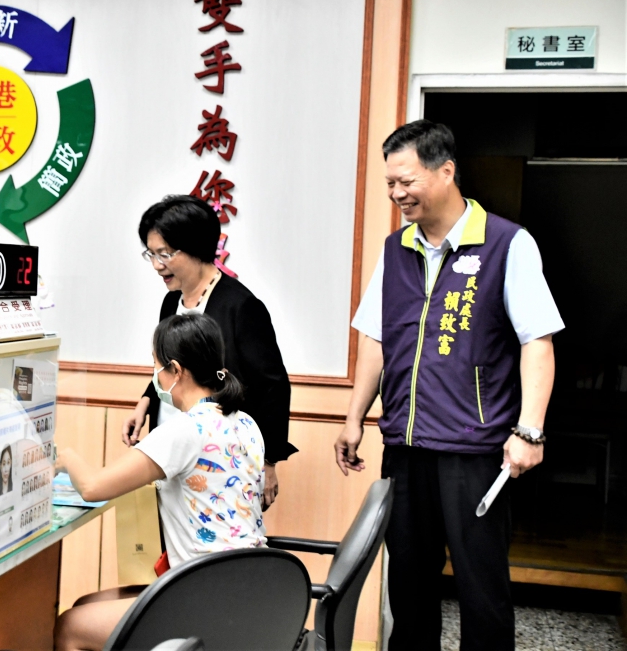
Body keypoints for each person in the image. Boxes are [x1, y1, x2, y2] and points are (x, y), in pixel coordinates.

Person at [335, 120, 563, 650]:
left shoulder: (507, 244)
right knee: (408, 586)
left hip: (474, 450)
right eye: (389, 183)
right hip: (406, 446)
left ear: (446, 171)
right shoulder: (396, 248)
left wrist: (529, 431)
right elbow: (376, 338)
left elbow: (538, 341)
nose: (397, 194)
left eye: (406, 181)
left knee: (481, 588)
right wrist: (354, 417)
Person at [55, 313, 266, 651]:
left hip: (204, 597)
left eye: (155, 365)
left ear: (176, 370)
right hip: (254, 587)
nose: (153, 375)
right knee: (86, 606)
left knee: (70, 627)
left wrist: (65, 458)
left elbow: (93, 487)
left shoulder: (183, 430)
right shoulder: (246, 423)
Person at [123, 195, 294, 508]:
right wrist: (145, 401)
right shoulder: (171, 302)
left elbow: (273, 386)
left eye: (165, 254)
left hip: (219, 462)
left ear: (197, 248)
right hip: (169, 451)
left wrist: (269, 461)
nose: (157, 265)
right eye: (152, 254)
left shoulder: (241, 306)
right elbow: (173, 367)